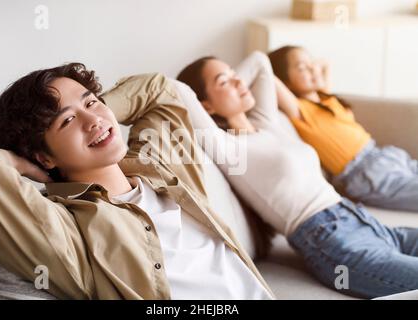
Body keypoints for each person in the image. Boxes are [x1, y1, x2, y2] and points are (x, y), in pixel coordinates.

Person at [0, 63, 276, 300]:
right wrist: (16, 160)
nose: (93, 120)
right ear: (44, 157)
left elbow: (159, 89)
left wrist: (97, 118)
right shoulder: (67, 229)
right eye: (67, 121)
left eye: (91, 103)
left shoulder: (158, 165)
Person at [176, 50, 418, 299]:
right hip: (334, 242)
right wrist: (220, 94)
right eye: (224, 82)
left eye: (235, 74)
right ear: (204, 105)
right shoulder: (226, 147)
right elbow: (177, 90)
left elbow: (260, 61)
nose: (239, 81)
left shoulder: (266, 123)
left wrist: (230, 83)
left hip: (363, 221)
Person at [268, 45, 418, 212]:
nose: (312, 68)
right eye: (302, 67)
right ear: (285, 81)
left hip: (386, 155)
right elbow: (266, 73)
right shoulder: (300, 110)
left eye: (311, 62)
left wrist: (309, 66)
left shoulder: (325, 98)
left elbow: (325, 63)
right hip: (365, 173)